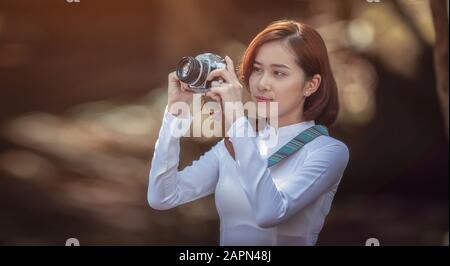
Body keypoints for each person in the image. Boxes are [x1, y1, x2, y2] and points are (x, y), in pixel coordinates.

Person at [147, 19, 349, 246]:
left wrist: (236, 119)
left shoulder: (328, 151)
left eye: (279, 73)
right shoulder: (234, 146)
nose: (262, 83)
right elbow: (162, 196)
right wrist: (175, 115)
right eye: (257, 69)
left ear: (310, 85)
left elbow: (269, 213)